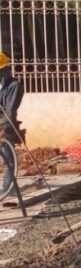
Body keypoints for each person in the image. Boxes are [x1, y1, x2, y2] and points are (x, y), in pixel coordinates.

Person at [0, 52, 24, 195]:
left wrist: (5, 129)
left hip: (5, 124)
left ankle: (8, 189)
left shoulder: (14, 86)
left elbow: (10, 110)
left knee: (8, 159)